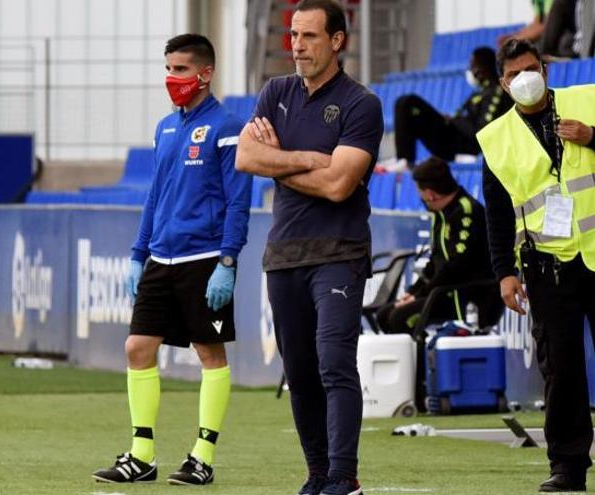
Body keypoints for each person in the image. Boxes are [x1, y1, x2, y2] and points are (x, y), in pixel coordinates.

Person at [235, 1, 383, 494]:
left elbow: (340, 185)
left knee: (333, 364)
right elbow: (245, 157)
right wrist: (302, 159)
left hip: (339, 252)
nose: (297, 46)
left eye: (309, 36)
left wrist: (276, 162)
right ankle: (317, 473)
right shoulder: (275, 91)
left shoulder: (361, 103)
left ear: (337, 40)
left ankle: (345, 477)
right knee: (299, 372)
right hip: (284, 254)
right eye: (293, 35)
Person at [91, 34, 251, 486]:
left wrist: (228, 260)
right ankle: (142, 455)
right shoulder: (164, 128)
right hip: (161, 256)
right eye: (168, 68)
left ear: (205, 73)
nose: (172, 78)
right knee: (137, 347)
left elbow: (239, 201)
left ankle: (202, 455)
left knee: (208, 352)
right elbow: (154, 196)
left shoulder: (228, 127)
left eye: (180, 69)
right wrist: (138, 254)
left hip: (205, 258)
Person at [478, 38, 595, 493]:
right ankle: (568, 467)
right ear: (503, 83)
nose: (525, 78)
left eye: (531, 67)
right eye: (514, 74)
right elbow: (497, 211)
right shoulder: (496, 139)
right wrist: (504, 272)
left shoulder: (586, 100)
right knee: (561, 371)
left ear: (545, 68)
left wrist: (592, 136)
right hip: (547, 265)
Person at [375, 157, 494, 335]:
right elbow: (435, 261)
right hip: (440, 291)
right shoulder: (440, 213)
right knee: (384, 315)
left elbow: (457, 266)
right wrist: (413, 292)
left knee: (398, 318)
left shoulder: (467, 211)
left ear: (430, 193)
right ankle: (419, 359)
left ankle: (421, 362)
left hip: (461, 295)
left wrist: (421, 294)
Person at [388, 47, 513, 170]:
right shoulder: (479, 93)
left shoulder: (496, 92)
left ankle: (405, 161)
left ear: (483, 69)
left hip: (465, 147)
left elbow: (482, 130)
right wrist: (451, 119)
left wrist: (454, 120)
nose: (470, 71)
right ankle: (404, 159)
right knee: (405, 104)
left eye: (472, 66)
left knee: (408, 101)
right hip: (452, 137)